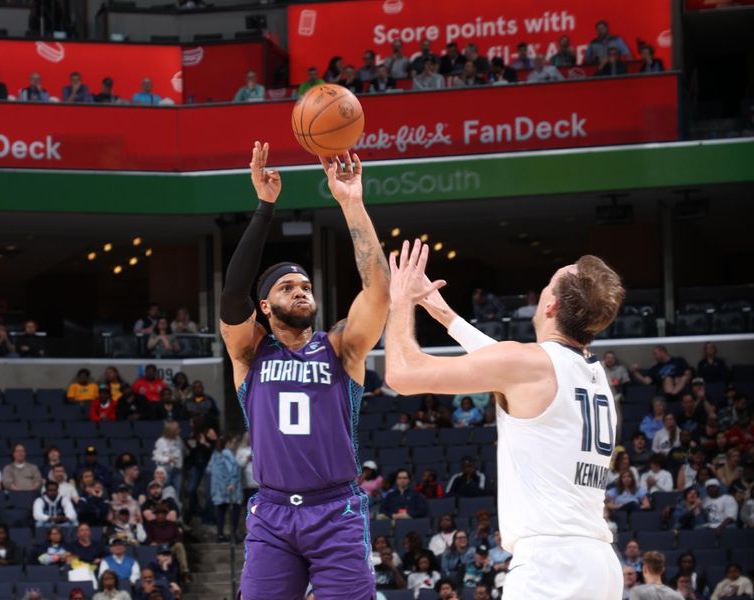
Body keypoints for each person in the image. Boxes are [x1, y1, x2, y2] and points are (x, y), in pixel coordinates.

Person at [385, 244, 626, 599]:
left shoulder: (529, 364)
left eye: (548, 283)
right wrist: (442, 312)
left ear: (550, 305)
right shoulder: (591, 369)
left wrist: (400, 301)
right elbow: (501, 361)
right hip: (598, 564)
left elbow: (401, 375)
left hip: (552, 568)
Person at [219, 141, 389, 599]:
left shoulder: (340, 347)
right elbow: (232, 296)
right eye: (288, 286)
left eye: (306, 286)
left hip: (335, 510)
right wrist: (263, 208)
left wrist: (352, 203)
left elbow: (377, 292)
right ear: (265, 305)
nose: (301, 291)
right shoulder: (251, 354)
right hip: (272, 514)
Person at [207, 434, 242, 543]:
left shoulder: (215, 455)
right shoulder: (227, 454)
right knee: (234, 511)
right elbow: (233, 471)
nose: (235, 445)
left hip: (218, 490)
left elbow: (209, 470)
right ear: (228, 443)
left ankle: (220, 535)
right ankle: (232, 535)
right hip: (229, 490)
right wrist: (231, 483)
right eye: (234, 442)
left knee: (221, 513)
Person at [152, 421, 185, 494]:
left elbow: (182, 451)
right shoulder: (161, 441)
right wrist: (167, 459)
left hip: (177, 470)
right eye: (177, 429)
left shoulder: (179, 439)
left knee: (177, 492)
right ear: (171, 431)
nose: (180, 430)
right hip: (165, 470)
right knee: (164, 492)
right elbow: (155, 457)